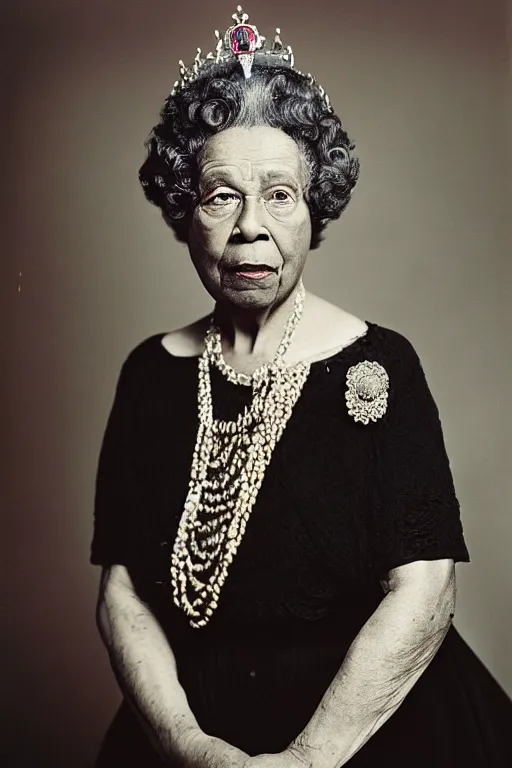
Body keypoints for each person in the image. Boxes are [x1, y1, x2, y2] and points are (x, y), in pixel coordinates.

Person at [90, 6, 512, 767]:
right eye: (222, 195)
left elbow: (426, 588)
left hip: (368, 729)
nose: (251, 225)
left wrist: (310, 760)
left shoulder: (380, 364)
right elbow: (123, 590)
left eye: (279, 193)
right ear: (185, 211)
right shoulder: (150, 375)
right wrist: (185, 745)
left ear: (314, 209)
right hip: (192, 729)